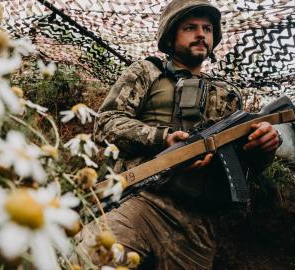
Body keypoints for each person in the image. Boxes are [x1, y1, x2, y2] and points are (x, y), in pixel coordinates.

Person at [76, 0, 280, 269]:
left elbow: (245, 166)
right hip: (141, 199)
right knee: (87, 260)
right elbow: (106, 124)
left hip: (198, 222)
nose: (201, 34)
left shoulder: (228, 96)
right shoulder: (146, 72)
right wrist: (163, 138)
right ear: (171, 36)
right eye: (190, 27)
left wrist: (265, 147)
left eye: (207, 29)